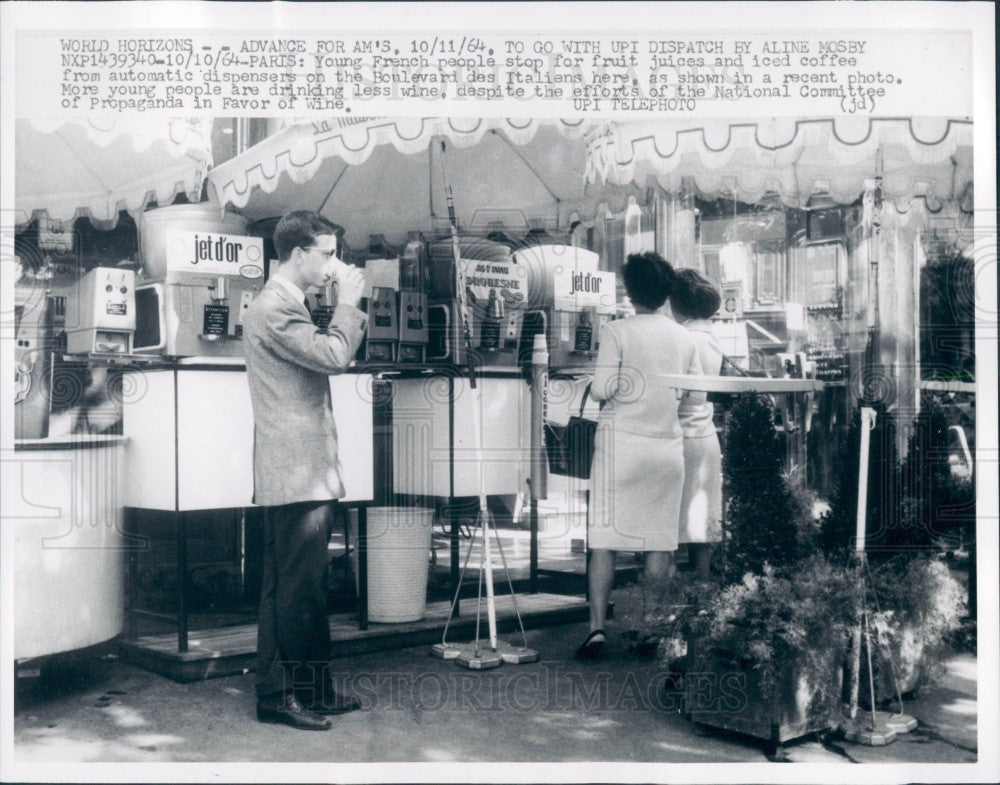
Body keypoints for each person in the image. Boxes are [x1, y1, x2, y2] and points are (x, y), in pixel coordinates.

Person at [243, 210, 368, 730]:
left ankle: (299, 692)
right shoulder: (277, 308)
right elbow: (335, 354)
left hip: (294, 470)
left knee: (288, 586)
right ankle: (290, 696)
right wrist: (348, 305)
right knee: (300, 589)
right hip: (299, 471)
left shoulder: (281, 303)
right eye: (327, 253)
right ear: (297, 254)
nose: (334, 264)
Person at [575, 252, 705, 660]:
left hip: (619, 448)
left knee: (604, 542)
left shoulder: (617, 331)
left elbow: (600, 389)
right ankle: (650, 629)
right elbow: (696, 396)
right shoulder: (685, 338)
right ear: (667, 292)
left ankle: (597, 628)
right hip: (665, 448)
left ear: (629, 291)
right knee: (658, 545)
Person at [672, 268, 724, 580]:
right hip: (706, 435)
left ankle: (663, 601)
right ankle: (703, 594)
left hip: (678, 436)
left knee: (667, 526)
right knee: (702, 522)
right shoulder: (711, 339)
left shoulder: (682, 337)